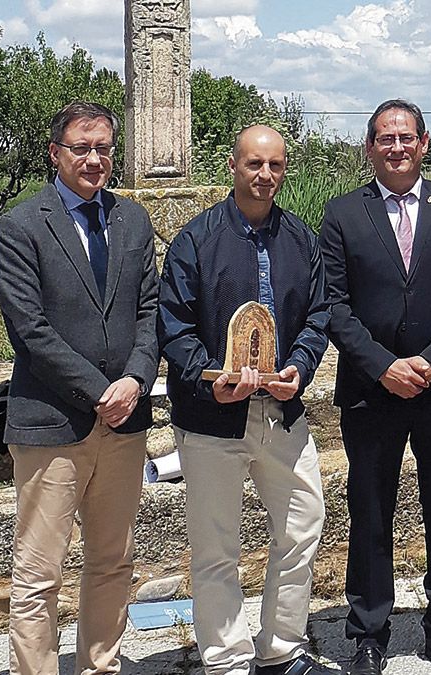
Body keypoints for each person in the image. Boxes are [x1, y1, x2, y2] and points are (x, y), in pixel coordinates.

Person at [318, 99, 431, 675]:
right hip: (371, 390)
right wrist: (382, 364)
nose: (396, 148)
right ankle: (368, 631)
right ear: (369, 148)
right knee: (369, 510)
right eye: (384, 139)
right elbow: (333, 306)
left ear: (424, 144)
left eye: (406, 137)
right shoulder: (342, 214)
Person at [156, 125, 333, 675]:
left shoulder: (301, 240)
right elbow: (174, 327)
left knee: (304, 523)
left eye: (276, 166)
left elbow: (317, 316)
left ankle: (280, 647)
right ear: (234, 166)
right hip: (213, 416)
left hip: (281, 411)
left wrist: (298, 369)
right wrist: (208, 376)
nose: (265, 176)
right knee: (216, 548)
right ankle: (226, 659)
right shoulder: (195, 240)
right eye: (255, 164)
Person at [0, 101, 159, 675]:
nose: (94, 159)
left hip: (125, 421)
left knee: (112, 561)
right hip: (52, 423)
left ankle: (101, 665)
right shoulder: (20, 226)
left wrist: (136, 379)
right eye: (81, 148)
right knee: (39, 574)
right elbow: (30, 331)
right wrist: (101, 391)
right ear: (55, 153)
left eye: (104, 149)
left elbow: (150, 310)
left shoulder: (132, 220)